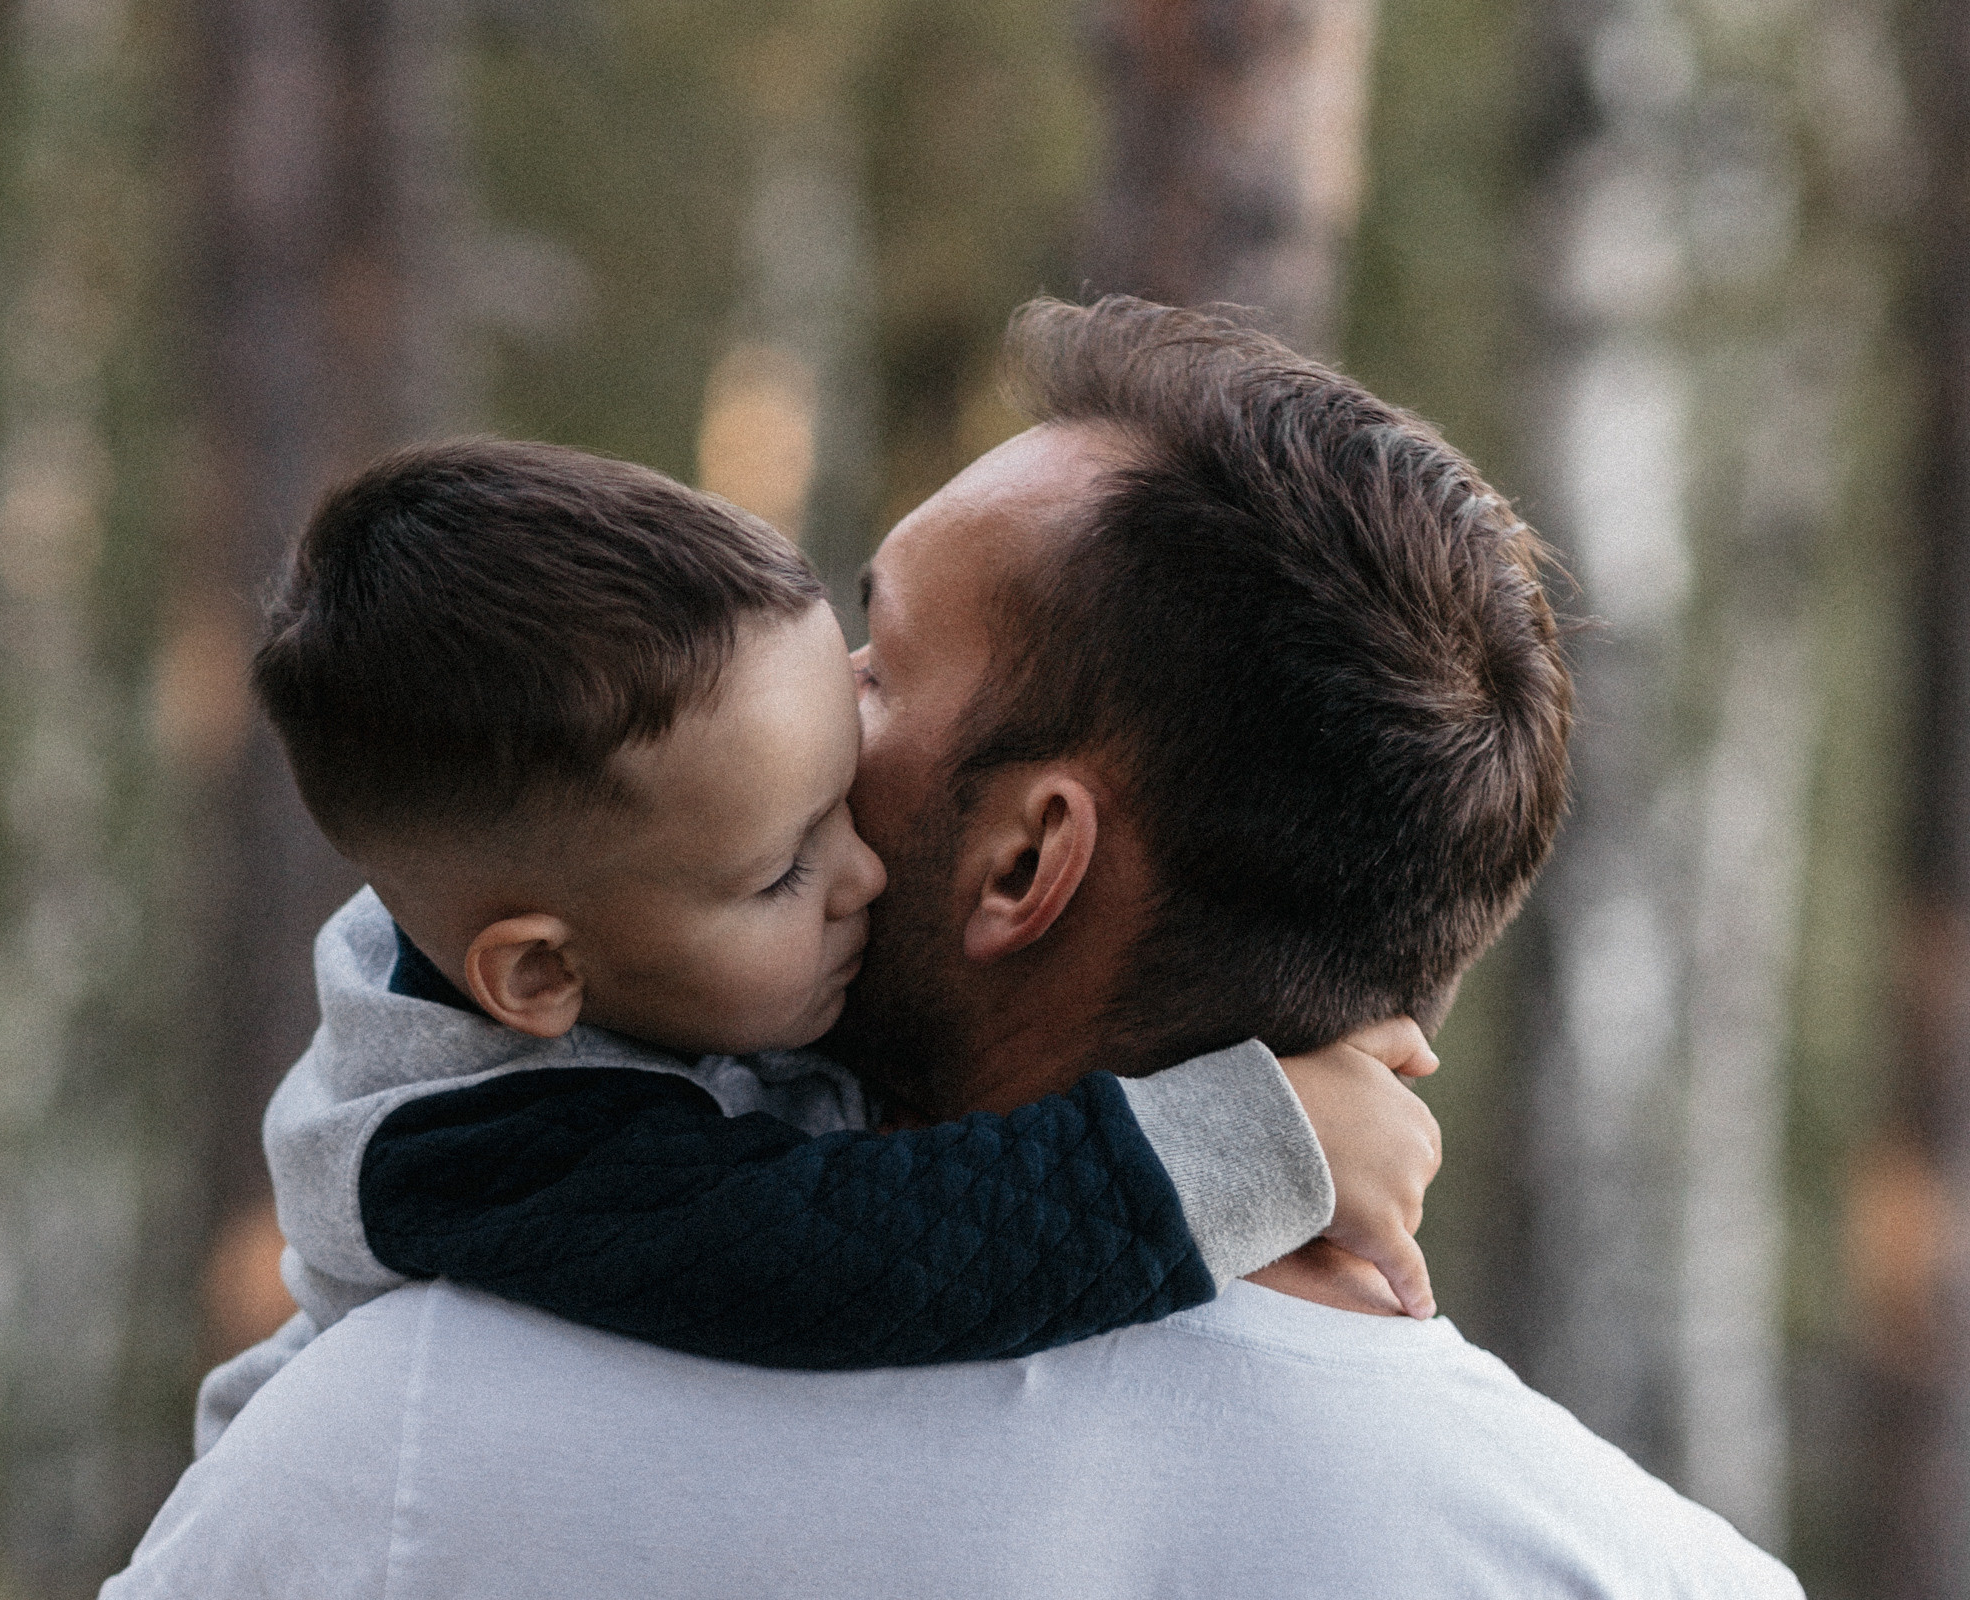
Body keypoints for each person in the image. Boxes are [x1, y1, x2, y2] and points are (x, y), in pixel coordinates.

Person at [104, 296, 1798, 1596]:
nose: (804, 720)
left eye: (881, 662)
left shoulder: (404, 1455)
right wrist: (1262, 1144)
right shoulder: (1649, 1572)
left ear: (1025, 863)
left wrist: (1247, 1151)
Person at [191, 437, 1445, 1452]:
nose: (862, 871)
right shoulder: (474, 1136)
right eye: (785, 869)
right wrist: (1259, 1139)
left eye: (852, 745)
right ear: (538, 977)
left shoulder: (585, 896)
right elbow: (852, 1254)